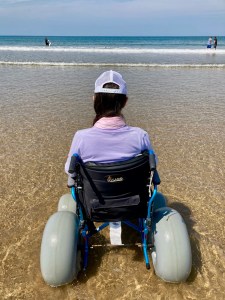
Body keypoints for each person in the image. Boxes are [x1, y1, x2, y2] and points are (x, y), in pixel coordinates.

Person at [65, 70, 156, 243]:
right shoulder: (140, 135)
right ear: (125, 102)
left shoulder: (81, 137)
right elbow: (152, 167)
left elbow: (69, 173)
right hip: (134, 204)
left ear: (94, 99)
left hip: (95, 208)